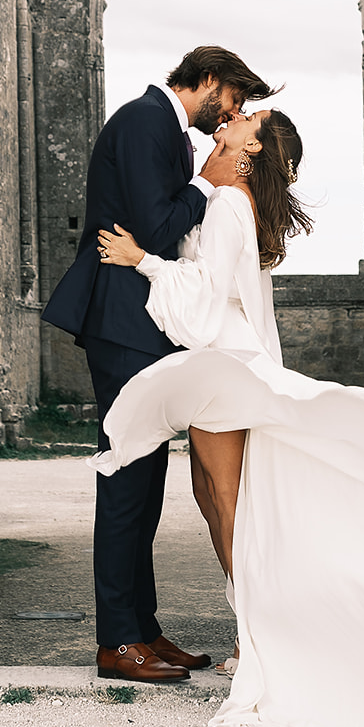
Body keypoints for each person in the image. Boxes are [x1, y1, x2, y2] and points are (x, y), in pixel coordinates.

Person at [94, 108, 364, 727]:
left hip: (221, 366)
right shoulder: (230, 197)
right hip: (219, 365)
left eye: (247, 119)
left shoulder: (229, 203)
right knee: (213, 501)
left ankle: (256, 637)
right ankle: (251, 629)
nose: (232, 115)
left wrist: (140, 259)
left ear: (249, 150)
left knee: (225, 505)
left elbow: (205, 293)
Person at [42, 45, 275, 684]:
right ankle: (119, 641)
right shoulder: (147, 121)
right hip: (121, 320)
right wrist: (209, 182)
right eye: (233, 98)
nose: (234, 111)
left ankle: (143, 629)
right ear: (206, 81)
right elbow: (154, 221)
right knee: (125, 481)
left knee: (144, 488)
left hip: (141, 321)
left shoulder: (165, 129)